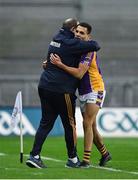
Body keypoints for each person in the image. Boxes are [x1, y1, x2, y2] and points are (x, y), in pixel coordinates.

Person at [26, 18, 101, 169]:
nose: (78, 34)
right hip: (62, 90)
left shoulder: (55, 38)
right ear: (73, 29)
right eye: (77, 30)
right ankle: (73, 159)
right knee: (70, 125)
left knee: (45, 123)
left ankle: (34, 156)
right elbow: (95, 45)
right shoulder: (72, 43)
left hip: (44, 86)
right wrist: (85, 40)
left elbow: (54, 58)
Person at [50, 22, 111, 168]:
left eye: (82, 33)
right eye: (77, 31)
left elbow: (79, 73)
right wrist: (49, 63)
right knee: (92, 126)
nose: (77, 34)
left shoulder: (89, 50)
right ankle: (105, 154)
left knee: (87, 123)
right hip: (83, 91)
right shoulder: (76, 48)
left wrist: (60, 65)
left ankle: (86, 160)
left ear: (88, 36)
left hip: (95, 89)